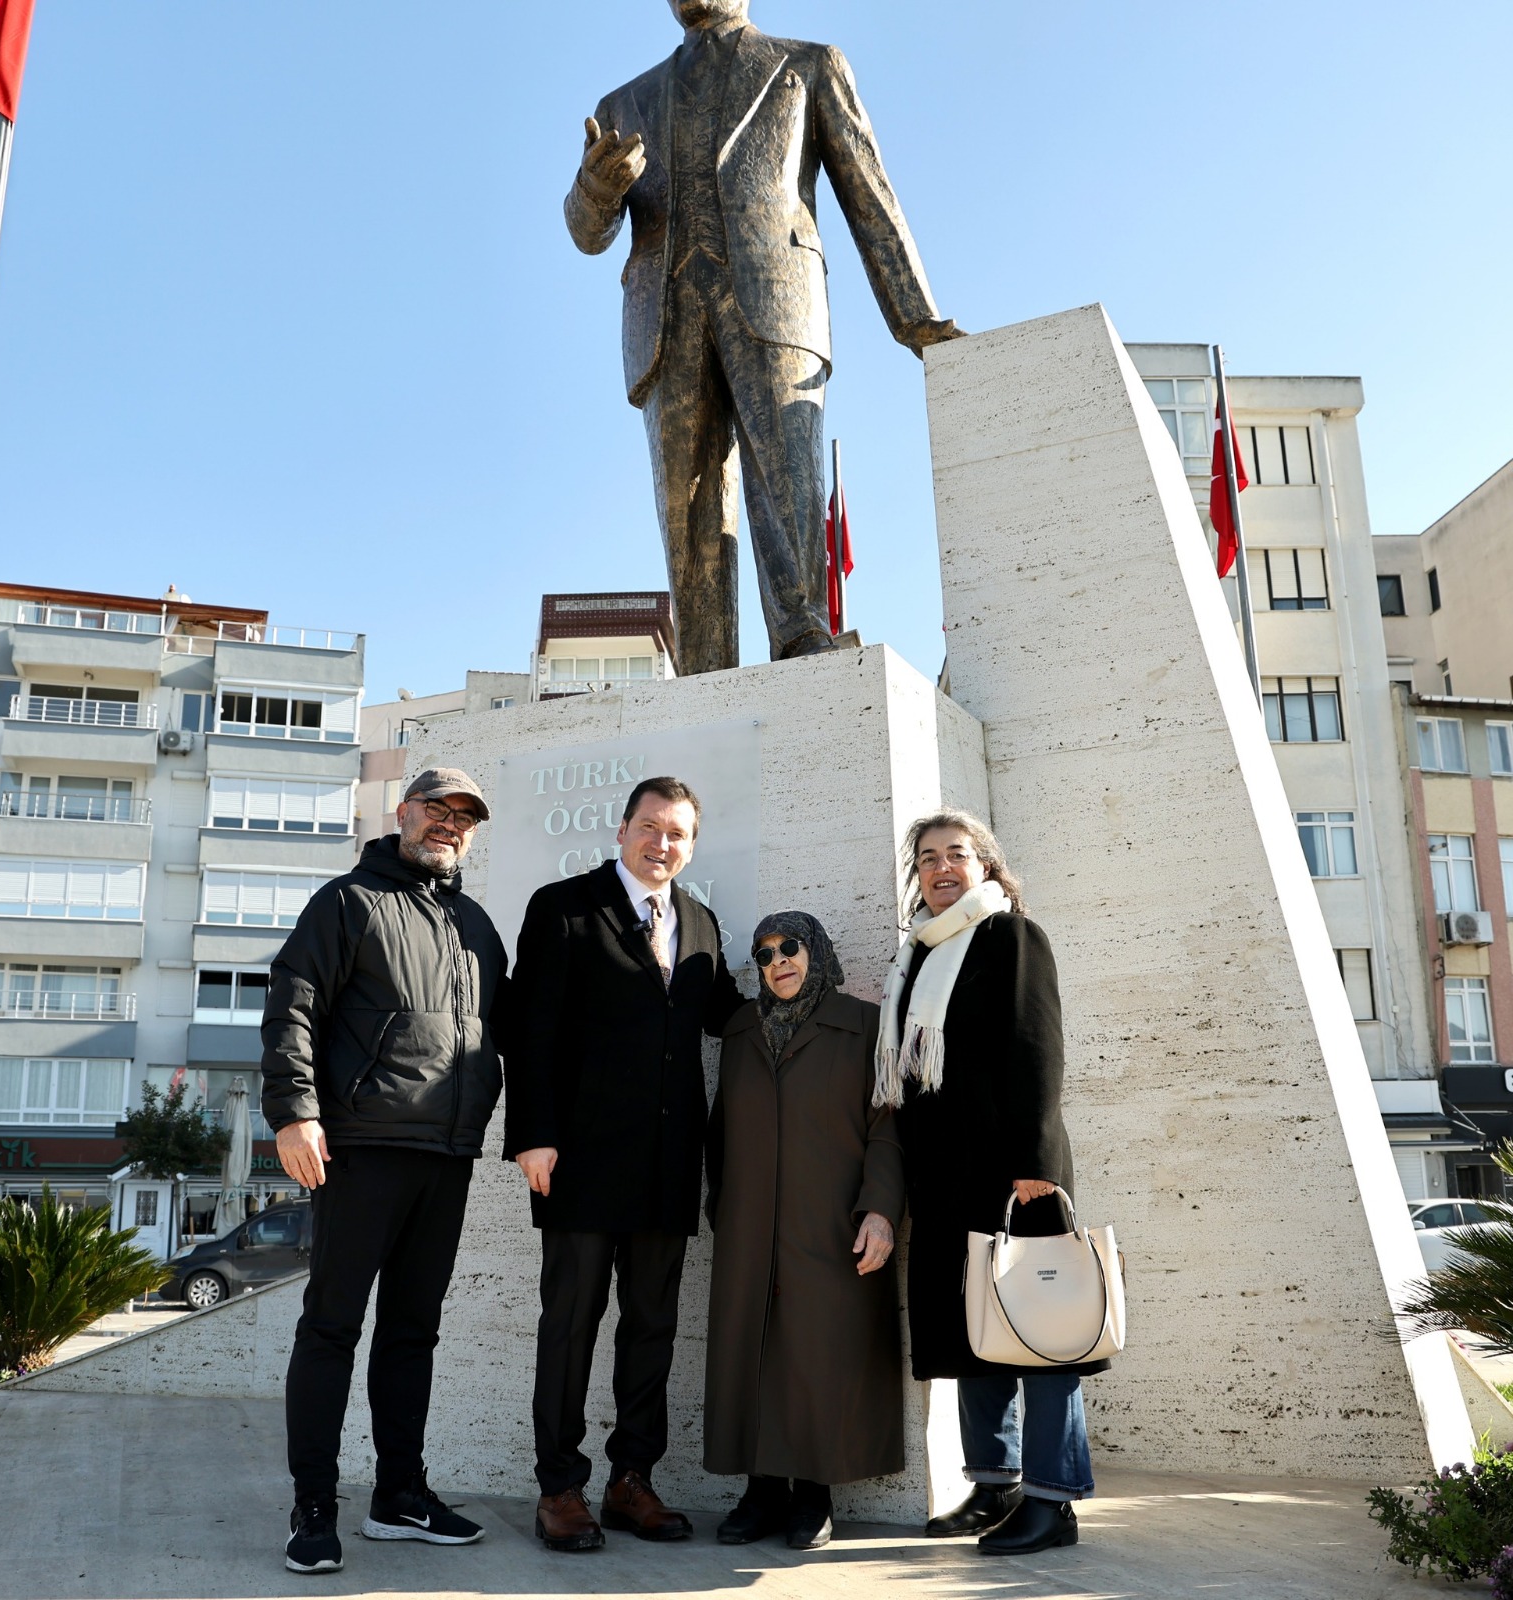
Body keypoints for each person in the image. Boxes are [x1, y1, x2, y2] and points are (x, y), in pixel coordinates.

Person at [564, 0, 963, 675]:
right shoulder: (625, 102)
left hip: (775, 302)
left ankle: (803, 638)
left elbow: (870, 196)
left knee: (788, 484)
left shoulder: (806, 66)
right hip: (665, 318)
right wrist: (595, 188)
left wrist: (916, 320)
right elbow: (587, 233)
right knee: (686, 510)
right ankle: (704, 671)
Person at [261, 767, 510, 1574]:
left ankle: (400, 1494)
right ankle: (313, 1507)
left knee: (413, 1334)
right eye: (436, 809)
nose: (448, 824)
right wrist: (295, 1113)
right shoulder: (345, 902)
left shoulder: (476, 924)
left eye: (463, 816)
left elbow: (505, 1031)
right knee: (332, 1326)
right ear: (401, 813)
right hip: (360, 1145)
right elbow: (293, 1002)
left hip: (447, 1153)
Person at [505, 775, 744, 1551]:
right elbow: (531, 1029)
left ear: (692, 845)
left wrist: (822, 1011)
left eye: (677, 833)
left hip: (669, 1167)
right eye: (650, 827)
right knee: (570, 1326)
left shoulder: (702, 923)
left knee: (652, 1329)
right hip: (579, 1161)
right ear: (622, 830)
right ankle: (560, 1487)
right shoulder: (563, 908)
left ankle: (630, 1481)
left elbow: (728, 1017)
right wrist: (532, 1135)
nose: (662, 843)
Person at [874, 810, 1102, 1556]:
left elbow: (1040, 1047)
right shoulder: (918, 954)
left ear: (987, 865)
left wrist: (1035, 1161)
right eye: (929, 857)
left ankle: (1052, 1501)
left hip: (1016, 1177)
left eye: (958, 855)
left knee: (1042, 1339)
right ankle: (995, 1483)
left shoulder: (1011, 936)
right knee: (978, 1334)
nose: (943, 868)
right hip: (946, 1181)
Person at [703, 912, 903, 1550]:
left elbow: (888, 1129)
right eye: (764, 955)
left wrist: (880, 1210)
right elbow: (720, 1130)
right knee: (754, 1353)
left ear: (816, 951)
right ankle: (761, 1492)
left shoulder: (862, 1025)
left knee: (818, 1357)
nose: (778, 962)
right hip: (750, 1225)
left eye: (790, 948)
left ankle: (812, 1496)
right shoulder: (740, 1031)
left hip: (830, 1224)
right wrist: (724, 1207)